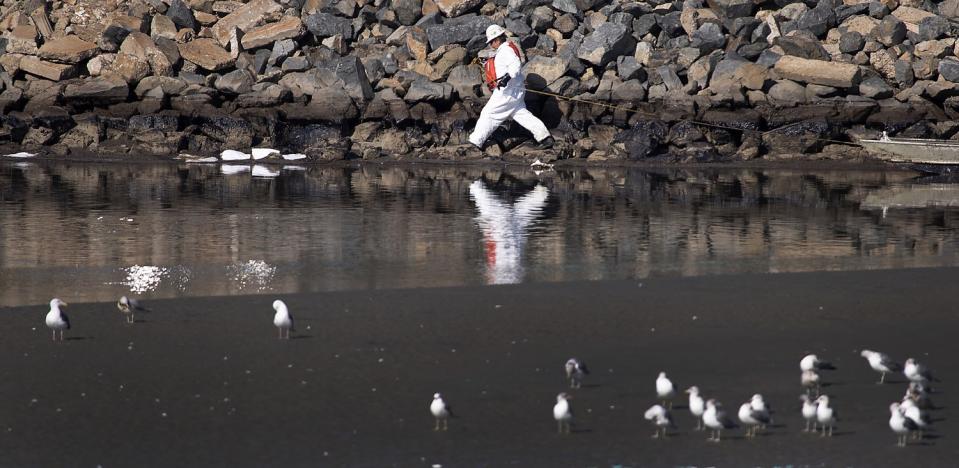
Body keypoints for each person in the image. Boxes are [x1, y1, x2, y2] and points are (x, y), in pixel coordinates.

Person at [468, 25, 555, 151]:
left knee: (488, 114)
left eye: (492, 41)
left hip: (506, 93)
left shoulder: (506, 51)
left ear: (497, 39)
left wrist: (506, 78)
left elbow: (515, 65)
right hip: (516, 92)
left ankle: (475, 143)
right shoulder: (506, 48)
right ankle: (545, 138)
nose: (491, 44)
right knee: (522, 115)